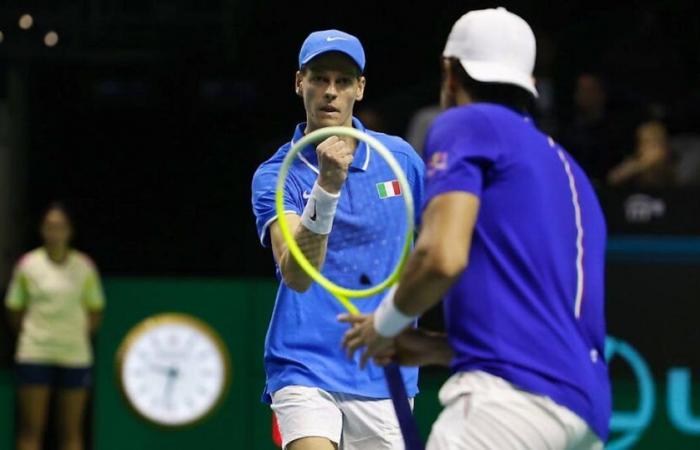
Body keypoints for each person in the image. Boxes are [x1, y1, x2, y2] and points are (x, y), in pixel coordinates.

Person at [342, 8, 610, 450]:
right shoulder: (569, 171)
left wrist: (383, 325)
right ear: (528, 83)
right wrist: (431, 349)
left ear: (449, 72)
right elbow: (544, 333)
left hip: (507, 408)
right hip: (584, 414)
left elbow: (441, 257)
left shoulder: (467, 123)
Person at [250, 30, 424, 450]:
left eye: (343, 81)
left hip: (383, 368)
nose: (330, 92)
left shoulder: (398, 161)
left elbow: (447, 241)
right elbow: (297, 275)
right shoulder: (275, 175)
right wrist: (327, 187)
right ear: (299, 83)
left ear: (359, 89)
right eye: (319, 78)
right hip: (303, 361)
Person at [5, 203, 105, 450]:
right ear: (42, 230)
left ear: (69, 231)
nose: (54, 232)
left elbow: (95, 310)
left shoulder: (85, 267)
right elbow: (14, 309)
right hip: (35, 352)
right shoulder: (28, 265)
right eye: (50, 227)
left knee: (71, 434)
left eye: (60, 227)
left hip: (74, 355)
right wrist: (35, 335)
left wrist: (74, 337)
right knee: (30, 432)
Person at [607, 120, 676, 188]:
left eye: (651, 142)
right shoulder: (635, 163)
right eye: (642, 142)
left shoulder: (675, 163)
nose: (643, 148)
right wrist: (639, 165)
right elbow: (612, 179)